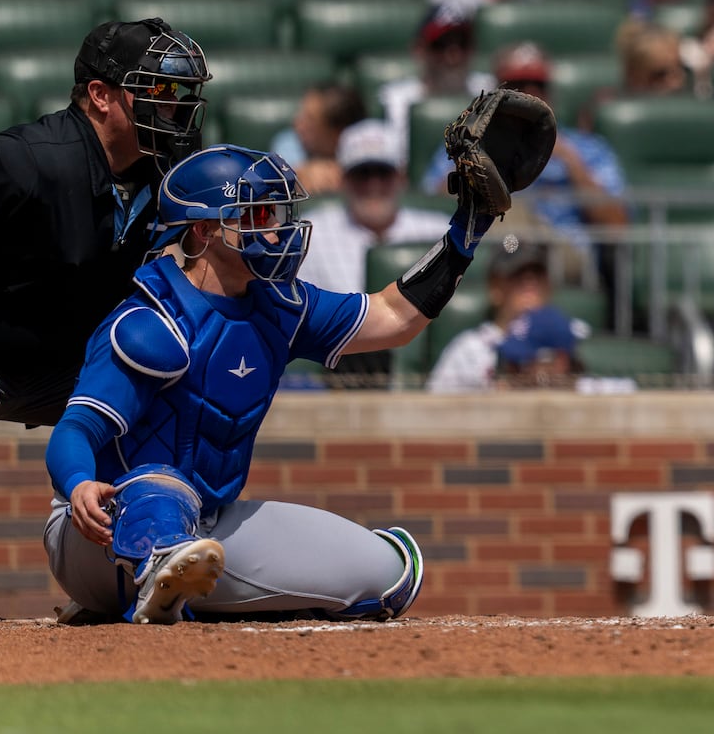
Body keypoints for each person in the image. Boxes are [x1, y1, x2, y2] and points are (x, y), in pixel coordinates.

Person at [42, 134, 507, 623]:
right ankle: (140, 577)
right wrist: (77, 485)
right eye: (258, 218)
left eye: (279, 215)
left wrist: (466, 231)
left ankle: (175, 584)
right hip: (97, 532)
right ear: (203, 231)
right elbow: (75, 431)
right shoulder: (152, 321)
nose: (278, 231)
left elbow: (393, 317)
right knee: (160, 482)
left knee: (387, 574)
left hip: (205, 525)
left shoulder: (280, 305)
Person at [0, 18, 211, 453]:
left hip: (75, 368)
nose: (174, 110)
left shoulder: (171, 174)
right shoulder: (23, 160)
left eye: (178, 96)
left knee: (188, 385)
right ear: (101, 96)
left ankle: (133, 518)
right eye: (158, 93)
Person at [423, 43, 630, 246]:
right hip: (493, 251)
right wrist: (474, 158)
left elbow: (617, 225)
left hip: (562, 254)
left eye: (539, 85)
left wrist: (572, 163)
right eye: (518, 85)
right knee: (508, 222)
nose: (530, 94)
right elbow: (430, 208)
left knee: (518, 229)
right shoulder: (466, 143)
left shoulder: (587, 148)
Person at [296, 119, 449, 294]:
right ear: (343, 180)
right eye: (362, 173)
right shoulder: (311, 237)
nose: (373, 185)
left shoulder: (439, 233)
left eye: (383, 172)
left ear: (401, 177)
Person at [427, 245, 589, 392]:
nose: (530, 282)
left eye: (537, 274)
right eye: (518, 275)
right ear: (495, 287)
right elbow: (434, 408)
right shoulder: (470, 349)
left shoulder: (572, 333)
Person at [378, 2, 496, 156]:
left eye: (462, 43)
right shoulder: (396, 102)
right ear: (419, 50)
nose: (453, 55)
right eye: (440, 45)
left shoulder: (490, 91)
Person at [269, 81, 367, 196]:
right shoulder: (289, 141)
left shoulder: (369, 143)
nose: (296, 123)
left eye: (309, 119)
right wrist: (301, 176)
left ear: (338, 133)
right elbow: (281, 175)